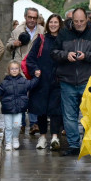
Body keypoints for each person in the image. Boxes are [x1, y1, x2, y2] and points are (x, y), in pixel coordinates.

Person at [51, 8, 91, 156]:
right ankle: (74, 146)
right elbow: (54, 52)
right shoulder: (64, 32)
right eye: (76, 21)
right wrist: (65, 55)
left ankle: (89, 143)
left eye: (82, 21)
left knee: (90, 115)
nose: (79, 24)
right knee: (69, 116)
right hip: (67, 80)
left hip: (88, 80)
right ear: (72, 20)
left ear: (87, 19)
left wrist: (86, 56)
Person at [26, 14, 65, 150]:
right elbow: (30, 58)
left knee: (56, 110)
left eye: (56, 22)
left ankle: (55, 137)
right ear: (48, 24)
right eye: (51, 22)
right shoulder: (41, 39)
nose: (53, 24)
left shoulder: (64, 41)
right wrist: (35, 69)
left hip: (58, 81)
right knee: (41, 110)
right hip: (42, 81)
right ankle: (42, 137)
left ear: (60, 24)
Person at [7, 7, 44, 134]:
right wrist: (15, 44)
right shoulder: (17, 30)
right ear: (25, 17)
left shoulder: (42, 31)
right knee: (21, 95)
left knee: (34, 95)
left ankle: (34, 124)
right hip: (20, 66)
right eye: (30, 17)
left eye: (34, 18)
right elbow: (8, 46)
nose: (32, 20)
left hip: (34, 67)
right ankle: (21, 123)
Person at [0, 62, 41, 151]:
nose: (14, 70)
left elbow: (32, 84)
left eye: (16, 68)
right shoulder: (5, 83)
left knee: (17, 125)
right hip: (7, 108)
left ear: (19, 70)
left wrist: (37, 77)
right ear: (9, 71)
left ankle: (15, 138)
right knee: (8, 126)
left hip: (19, 108)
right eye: (12, 69)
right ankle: (8, 142)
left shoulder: (23, 81)